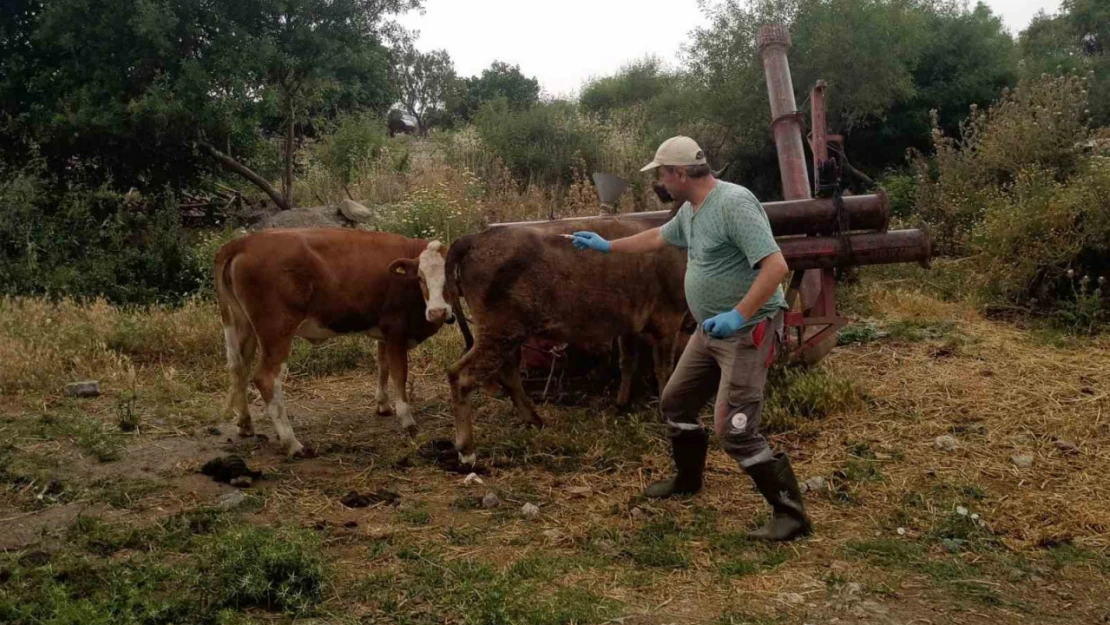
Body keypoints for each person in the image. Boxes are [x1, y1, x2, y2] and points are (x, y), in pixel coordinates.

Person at [571, 136, 812, 541]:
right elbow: (658, 237)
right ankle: (688, 479)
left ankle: (790, 514)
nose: (661, 181)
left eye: (663, 173)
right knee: (676, 401)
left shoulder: (734, 204)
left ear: (681, 173)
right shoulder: (691, 209)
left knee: (735, 430)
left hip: (746, 330)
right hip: (709, 329)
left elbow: (776, 266)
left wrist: (738, 314)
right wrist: (606, 246)